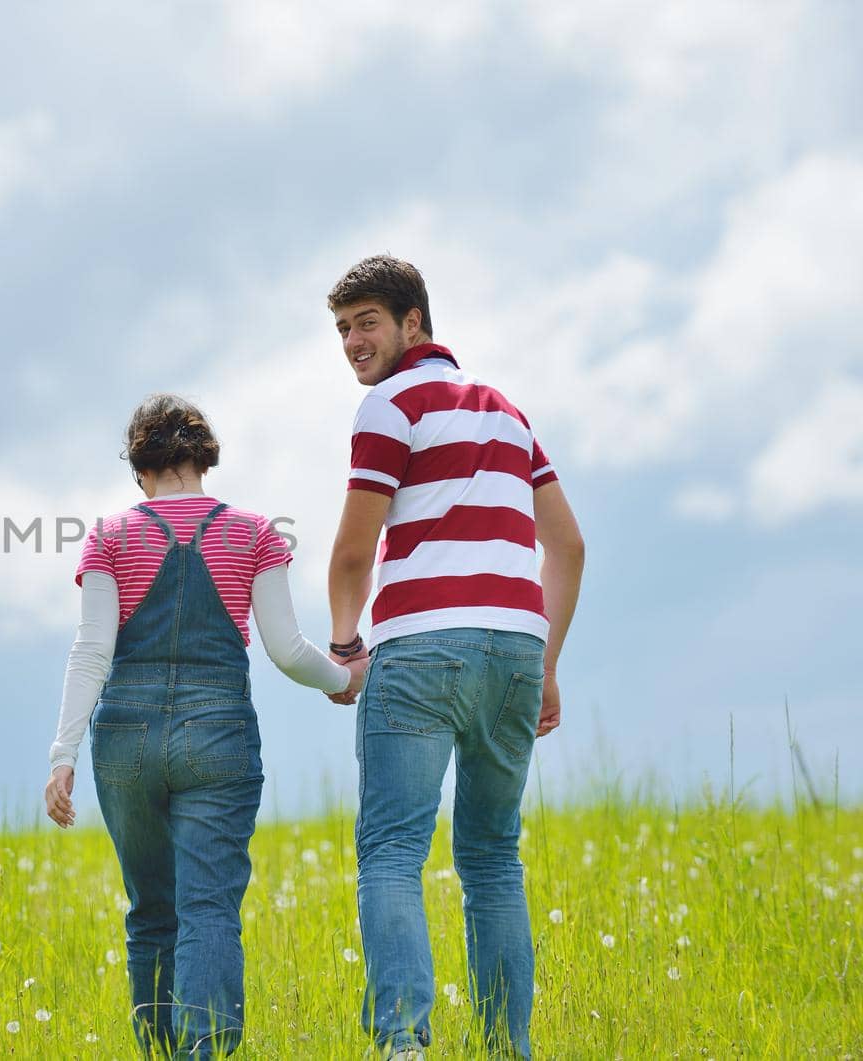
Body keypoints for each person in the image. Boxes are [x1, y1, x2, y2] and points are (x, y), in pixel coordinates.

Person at [44, 394, 363, 1058]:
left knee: (150, 911)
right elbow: (286, 649)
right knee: (208, 908)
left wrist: (63, 753)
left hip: (124, 738)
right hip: (218, 733)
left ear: (141, 467)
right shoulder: (254, 532)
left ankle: (160, 1050)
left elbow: (91, 651)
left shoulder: (109, 534)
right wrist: (344, 679)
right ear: (203, 458)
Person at [323, 255, 585, 1060]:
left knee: (393, 851)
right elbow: (568, 546)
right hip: (512, 648)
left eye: (367, 322)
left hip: (422, 648)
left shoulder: (389, 406)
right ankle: (508, 1048)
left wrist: (342, 643)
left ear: (414, 322)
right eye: (341, 329)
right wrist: (544, 662)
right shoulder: (508, 413)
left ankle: (403, 1043)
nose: (353, 342)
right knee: (492, 855)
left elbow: (353, 551)